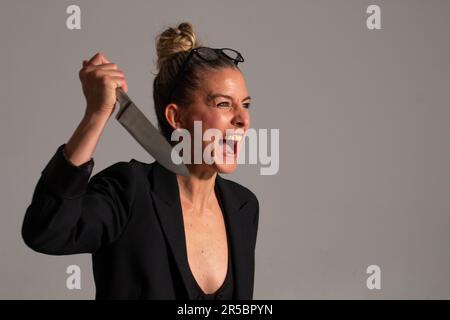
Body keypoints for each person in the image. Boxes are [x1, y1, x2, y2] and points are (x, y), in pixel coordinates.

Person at [21, 22, 259, 300]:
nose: (243, 119)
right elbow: (47, 231)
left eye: (246, 104)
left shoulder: (244, 206)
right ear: (176, 118)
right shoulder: (129, 191)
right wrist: (97, 114)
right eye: (223, 104)